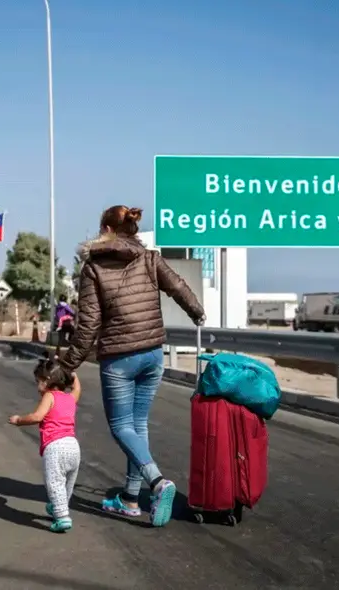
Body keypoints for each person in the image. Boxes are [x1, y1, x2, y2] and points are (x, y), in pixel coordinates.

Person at [55, 205, 204, 528]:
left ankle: (157, 482)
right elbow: (177, 286)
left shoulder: (93, 267)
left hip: (119, 358)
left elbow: (88, 327)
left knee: (122, 426)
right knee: (138, 426)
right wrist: (197, 311)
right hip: (152, 354)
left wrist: (67, 365)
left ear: (106, 229)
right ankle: (131, 499)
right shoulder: (149, 259)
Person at [8, 357, 82, 533]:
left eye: (38, 382)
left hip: (55, 447)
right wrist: (71, 371)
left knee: (55, 482)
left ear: (47, 381)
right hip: (73, 445)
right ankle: (58, 507)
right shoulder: (70, 397)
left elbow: (37, 416)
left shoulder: (50, 396)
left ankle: (63, 517)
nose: (37, 386)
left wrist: (19, 420)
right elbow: (77, 387)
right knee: (67, 483)